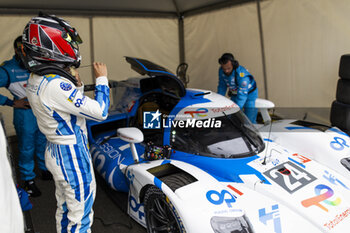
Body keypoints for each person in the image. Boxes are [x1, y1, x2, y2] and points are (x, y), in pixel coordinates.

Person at [23, 13, 110, 232]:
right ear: (51, 44)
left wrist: (77, 85)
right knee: (80, 216)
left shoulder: (38, 78)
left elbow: (66, 107)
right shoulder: (55, 85)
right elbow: (100, 112)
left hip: (56, 148)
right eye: (68, 41)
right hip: (71, 153)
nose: (72, 46)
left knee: (65, 208)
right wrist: (102, 79)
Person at [0, 36, 50, 197]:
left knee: (43, 141)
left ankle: (44, 168)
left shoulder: (38, 64)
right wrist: (10, 102)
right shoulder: (7, 69)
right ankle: (28, 180)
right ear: (16, 50)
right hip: (25, 113)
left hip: (42, 111)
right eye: (23, 50)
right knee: (27, 147)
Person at [217, 53, 258, 123]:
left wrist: (236, 110)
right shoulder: (221, 71)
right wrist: (218, 101)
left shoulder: (242, 75)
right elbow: (222, 86)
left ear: (234, 64)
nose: (226, 71)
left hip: (249, 94)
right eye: (224, 68)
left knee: (249, 119)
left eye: (228, 68)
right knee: (234, 119)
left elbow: (242, 95)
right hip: (235, 93)